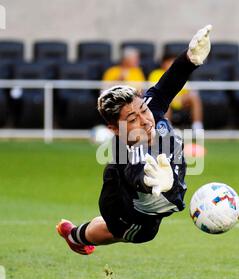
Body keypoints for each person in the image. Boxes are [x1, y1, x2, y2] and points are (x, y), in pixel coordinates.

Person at [56, 25, 212, 255]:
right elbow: (135, 171)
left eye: (142, 110)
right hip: (130, 213)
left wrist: (189, 59)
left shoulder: (148, 108)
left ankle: (74, 234)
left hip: (160, 192)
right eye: (132, 119)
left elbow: (166, 85)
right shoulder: (127, 149)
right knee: (117, 232)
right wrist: (152, 180)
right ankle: (75, 236)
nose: (145, 120)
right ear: (114, 129)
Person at [148, 54, 204, 131]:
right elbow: (155, 91)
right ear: (164, 63)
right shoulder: (156, 73)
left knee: (194, 96)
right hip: (164, 99)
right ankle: (167, 127)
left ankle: (197, 127)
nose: (173, 64)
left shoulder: (178, 74)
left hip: (179, 99)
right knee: (165, 101)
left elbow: (186, 89)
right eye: (170, 62)